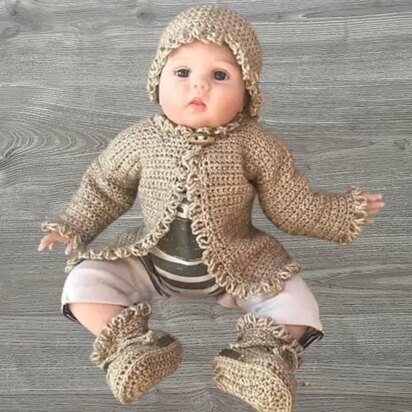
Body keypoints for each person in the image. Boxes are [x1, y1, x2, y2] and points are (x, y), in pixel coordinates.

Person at [38, 5, 384, 412]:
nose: (198, 86)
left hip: (239, 265)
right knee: (82, 283)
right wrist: (73, 223)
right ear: (157, 79)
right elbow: (105, 186)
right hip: (150, 262)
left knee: (299, 303)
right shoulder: (140, 140)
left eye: (219, 76)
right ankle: (132, 346)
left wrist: (341, 213)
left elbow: (290, 205)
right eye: (182, 72)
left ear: (247, 91)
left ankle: (258, 357)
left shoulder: (256, 144)